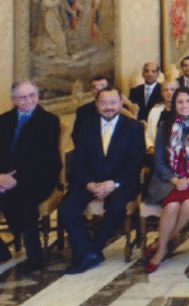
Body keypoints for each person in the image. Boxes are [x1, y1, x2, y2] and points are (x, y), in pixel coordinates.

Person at [0, 80, 62, 273]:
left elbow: (44, 160)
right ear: (14, 100)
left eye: (33, 95)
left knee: (23, 201)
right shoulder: (1, 121)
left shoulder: (49, 121)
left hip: (37, 178)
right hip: (1, 178)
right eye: (23, 97)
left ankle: (34, 256)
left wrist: (15, 180)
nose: (30, 100)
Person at [60, 86, 145, 274]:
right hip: (89, 182)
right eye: (104, 103)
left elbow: (136, 162)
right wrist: (89, 183)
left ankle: (92, 249)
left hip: (121, 182)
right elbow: (78, 161)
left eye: (113, 103)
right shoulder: (85, 126)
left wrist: (113, 183)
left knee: (116, 207)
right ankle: (88, 251)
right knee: (67, 209)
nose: (109, 107)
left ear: (121, 103)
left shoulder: (133, 127)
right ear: (97, 105)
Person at [145, 87, 189, 273]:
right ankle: (163, 246)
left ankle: (160, 247)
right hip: (168, 179)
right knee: (173, 205)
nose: (185, 105)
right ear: (174, 105)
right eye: (180, 102)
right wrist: (175, 180)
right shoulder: (164, 126)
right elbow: (159, 161)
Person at [72, 75, 110, 143]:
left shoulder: (119, 108)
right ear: (91, 91)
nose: (100, 90)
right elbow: (76, 136)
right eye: (96, 87)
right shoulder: (82, 111)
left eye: (103, 86)